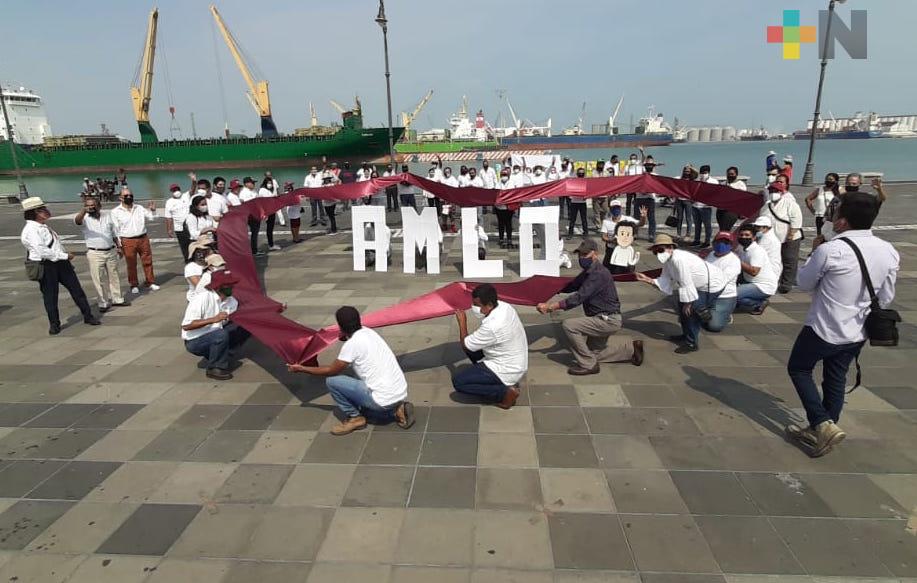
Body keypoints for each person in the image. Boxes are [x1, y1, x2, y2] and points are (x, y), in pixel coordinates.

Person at [785, 193, 898, 457]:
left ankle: (821, 424)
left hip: (824, 327)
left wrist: (815, 251)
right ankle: (824, 429)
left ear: (843, 221)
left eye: (836, 214)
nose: (832, 218)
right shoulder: (887, 250)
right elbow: (886, 297)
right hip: (858, 331)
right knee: (835, 378)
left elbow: (803, 283)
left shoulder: (830, 249)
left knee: (799, 369)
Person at [287, 306, 415, 435]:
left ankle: (355, 418)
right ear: (358, 320)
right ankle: (398, 409)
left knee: (333, 382)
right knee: (363, 385)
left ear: (340, 326)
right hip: (399, 391)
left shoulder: (352, 345)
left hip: (381, 399)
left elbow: (331, 370)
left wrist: (302, 368)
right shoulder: (369, 332)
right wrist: (346, 334)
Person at [537, 238, 643, 374]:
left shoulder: (598, 273)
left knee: (569, 325)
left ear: (595, 254)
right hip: (602, 318)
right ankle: (632, 349)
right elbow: (572, 285)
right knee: (592, 354)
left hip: (607, 320)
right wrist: (547, 289)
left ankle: (589, 366)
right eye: (580, 255)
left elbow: (578, 297)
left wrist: (551, 307)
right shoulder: (589, 271)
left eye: (585, 255)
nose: (581, 258)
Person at [635, 234, 727, 353]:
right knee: (682, 308)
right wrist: (647, 279)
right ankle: (686, 334)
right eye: (656, 251)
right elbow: (665, 279)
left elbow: (686, 281)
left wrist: (688, 303)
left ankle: (692, 343)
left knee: (691, 311)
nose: (658, 253)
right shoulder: (668, 260)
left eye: (661, 250)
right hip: (697, 285)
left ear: (670, 248)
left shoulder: (678, 259)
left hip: (713, 284)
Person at [21, 197, 100, 334]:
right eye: (42, 210)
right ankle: (54, 324)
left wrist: (63, 257)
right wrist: (65, 256)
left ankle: (88, 315)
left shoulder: (43, 226)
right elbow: (42, 251)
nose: (46, 211)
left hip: (61, 263)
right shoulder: (31, 230)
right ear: (35, 213)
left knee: (77, 290)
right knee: (50, 296)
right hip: (46, 265)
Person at [451, 284, 528, 408]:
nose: (474, 308)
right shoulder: (505, 307)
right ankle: (488, 377)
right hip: (516, 359)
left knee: (459, 382)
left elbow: (465, 345)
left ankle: (504, 393)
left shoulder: (492, 327)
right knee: (473, 346)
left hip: (507, 369)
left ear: (490, 305)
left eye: (477, 305)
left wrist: (462, 322)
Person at [181, 269, 249, 381]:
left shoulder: (232, 301)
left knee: (244, 326)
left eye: (232, 284)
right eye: (228, 285)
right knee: (220, 335)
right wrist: (214, 319)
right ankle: (215, 368)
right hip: (195, 340)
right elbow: (187, 326)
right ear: (218, 287)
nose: (232, 287)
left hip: (217, 332)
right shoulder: (202, 299)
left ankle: (223, 354)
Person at [74, 197, 127, 312]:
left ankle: (117, 299)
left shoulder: (107, 216)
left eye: (93, 205)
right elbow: (77, 221)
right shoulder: (85, 219)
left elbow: (113, 233)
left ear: (99, 206)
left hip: (110, 250)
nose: (91, 207)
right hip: (95, 252)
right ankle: (103, 302)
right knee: (98, 278)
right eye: (88, 205)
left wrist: (119, 246)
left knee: (114, 275)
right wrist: (84, 210)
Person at [110, 187, 159, 294]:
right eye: (126, 196)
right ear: (120, 198)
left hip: (142, 237)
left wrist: (153, 210)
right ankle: (133, 284)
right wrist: (119, 245)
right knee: (131, 263)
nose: (129, 197)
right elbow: (116, 229)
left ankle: (150, 282)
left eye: (130, 195)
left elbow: (151, 218)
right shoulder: (115, 212)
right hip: (127, 240)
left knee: (147, 261)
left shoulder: (139, 208)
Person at [759, 176, 803, 293]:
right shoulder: (767, 205)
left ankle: (786, 285)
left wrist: (791, 234)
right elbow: (762, 219)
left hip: (790, 237)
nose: (773, 193)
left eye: (776, 191)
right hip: (773, 239)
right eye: (771, 191)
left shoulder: (790, 203)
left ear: (781, 191)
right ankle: (773, 280)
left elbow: (796, 219)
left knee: (789, 260)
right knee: (774, 260)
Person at [735, 223, 778, 315]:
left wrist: (737, 261)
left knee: (732, 295)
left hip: (763, 285)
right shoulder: (741, 248)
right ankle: (742, 299)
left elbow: (754, 271)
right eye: (741, 235)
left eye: (747, 235)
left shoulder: (757, 251)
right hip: (749, 281)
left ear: (754, 237)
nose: (743, 237)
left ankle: (758, 303)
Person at [704, 231, 740, 332]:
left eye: (726, 242)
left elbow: (721, 281)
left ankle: (726, 314)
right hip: (707, 292)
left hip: (724, 296)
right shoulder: (711, 255)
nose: (721, 245)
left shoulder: (734, 261)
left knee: (714, 326)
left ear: (731, 245)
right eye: (719, 241)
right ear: (713, 242)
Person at [690, 165, 717, 247]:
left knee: (707, 225)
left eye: (705, 173)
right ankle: (697, 240)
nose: (703, 174)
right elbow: (692, 191)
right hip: (695, 206)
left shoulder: (713, 181)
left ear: (708, 173)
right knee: (697, 225)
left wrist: (711, 201)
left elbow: (715, 193)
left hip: (706, 207)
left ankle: (707, 241)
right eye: (701, 173)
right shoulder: (696, 180)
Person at [164, 183, 192, 261]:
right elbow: (168, 217)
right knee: (184, 247)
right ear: (171, 191)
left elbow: (192, 189)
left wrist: (193, 181)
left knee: (194, 244)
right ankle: (188, 261)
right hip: (179, 229)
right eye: (174, 190)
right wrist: (169, 229)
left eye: (177, 189)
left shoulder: (186, 196)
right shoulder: (169, 202)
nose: (176, 191)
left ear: (180, 189)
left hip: (191, 226)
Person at [805, 173, 839, 237]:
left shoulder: (839, 189)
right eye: (826, 179)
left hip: (833, 217)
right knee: (820, 236)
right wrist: (813, 211)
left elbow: (845, 200)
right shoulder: (820, 189)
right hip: (820, 216)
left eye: (830, 179)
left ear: (836, 181)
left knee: (833, 236)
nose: (828, 181)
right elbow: (808, 199)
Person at [634, 156, 659, 241]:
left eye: (650, 165)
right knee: (636, 217)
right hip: (639, 198)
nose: (649, 166)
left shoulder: (656, 176)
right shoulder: (639, 175)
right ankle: (635, 233)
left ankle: (651, 235)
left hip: (650, 198)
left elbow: (658, 187)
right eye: (647, 164)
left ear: (653, 166)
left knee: (651, 218)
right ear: (645, 165)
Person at [716, 166, 746, 232]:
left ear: (736, 174)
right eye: (728, 174)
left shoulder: (740, 184)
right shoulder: (723, 183)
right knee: (721, 229)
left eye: (732, 174)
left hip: (732, 211)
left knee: (726, 229)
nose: (730, 175)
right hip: (721, 210)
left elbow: (742, 198)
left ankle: (725, 241)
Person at [258, 177, 281, 251]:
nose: (270, 185)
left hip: (272, 210)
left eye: (271, 183)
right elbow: (264, 200)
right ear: (265, 183)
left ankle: (271, 243)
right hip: (268, 211)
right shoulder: (262, 190)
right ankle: (271, 244)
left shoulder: (269, 190)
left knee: (270, 228)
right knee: (269, 228)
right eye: (268, 183)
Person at [675, 165, 697, 239]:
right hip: (679, 200)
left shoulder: (692, 180)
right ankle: (678, 234)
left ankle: (688, 234)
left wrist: (690, 167)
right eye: (685, 171)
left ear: (691, 172)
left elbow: (697, 173)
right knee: (679, 218)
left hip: (688, 201)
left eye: (688, 171)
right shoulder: (679, 179)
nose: (686, 172)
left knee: (688, 218)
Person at [567, 167, 589, 239]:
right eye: (580, 173)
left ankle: (585, 233)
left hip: (582, 202)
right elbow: (570, 190)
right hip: (574, 202)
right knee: (572, 219)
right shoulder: (574, 181)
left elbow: (588, 190)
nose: (581, 174)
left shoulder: (586, 181)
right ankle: (570, 234)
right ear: (577, 174)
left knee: (584, 219)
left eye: (582, 173)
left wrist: (587, 196)